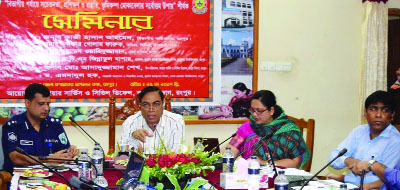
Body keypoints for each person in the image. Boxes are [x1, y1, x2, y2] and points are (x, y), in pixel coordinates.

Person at [329, 90, 400, 189]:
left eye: (385, 110)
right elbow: (333, 158)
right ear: (365, 114)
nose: (378, 115)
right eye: (373, 109)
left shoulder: (396, 140)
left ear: (392, 115)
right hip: (350, 184)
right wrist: (348, 161)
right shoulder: (359, 131)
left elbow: (390, 180)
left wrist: (357, 186)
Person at [2, 83, 79, 172]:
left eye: (48, 104)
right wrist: (48, 159)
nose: (46, 108)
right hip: (21, 177)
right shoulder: (13, 126)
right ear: (28, 103)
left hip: (52, 177)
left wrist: (70, 152)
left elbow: (64, 153)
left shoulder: (55, 125)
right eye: (41, 104)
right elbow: (16, 158)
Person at [227, 90, 310, 168]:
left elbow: (295, 162)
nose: (255, 115)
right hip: (249, 177)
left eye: (259, 111)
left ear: (271, 110)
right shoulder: (248, 127)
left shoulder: (288, 129)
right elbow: (230, 152)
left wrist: (264, 163)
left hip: (280, 178)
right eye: (252, 110)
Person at [120, 86, 185, 154]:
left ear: (162, 104)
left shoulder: (176, 121)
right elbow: (123, 155)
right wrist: (133, 136)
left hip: (167, 164)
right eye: (146, 105)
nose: (151, 109)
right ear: (140, 106)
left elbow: (177, 153)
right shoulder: (130, 122)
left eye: (156, 104)